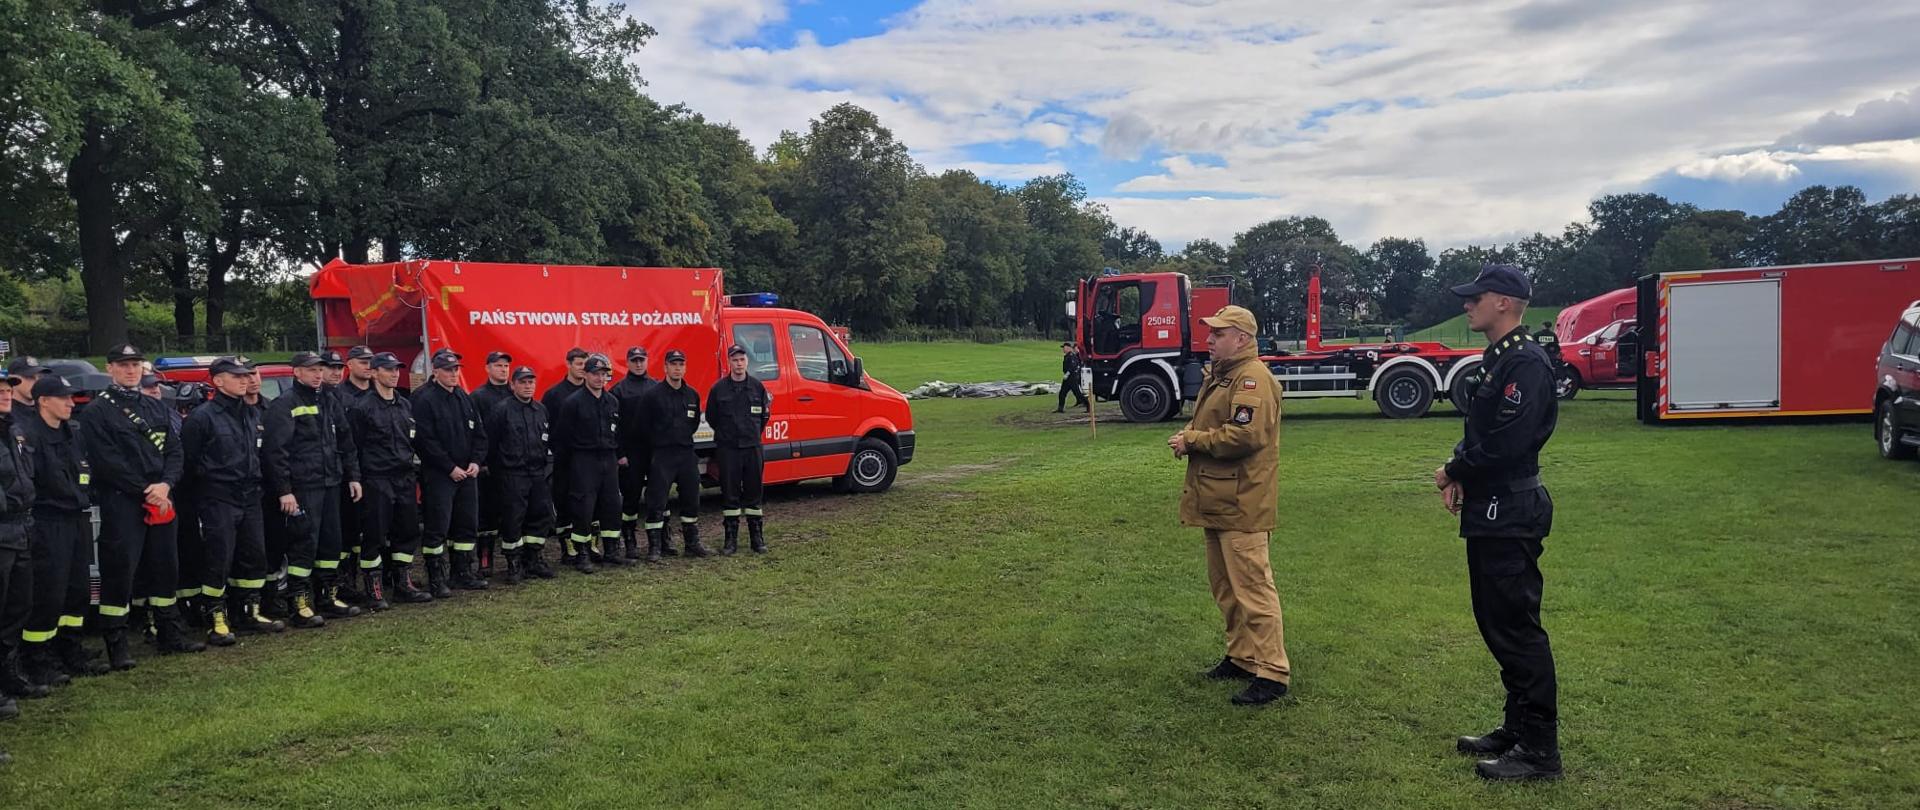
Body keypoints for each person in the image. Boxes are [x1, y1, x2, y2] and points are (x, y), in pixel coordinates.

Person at [1435, 264, 1563, 782]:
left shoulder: (1526, 363)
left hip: (1510, 511)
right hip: (1492, 509)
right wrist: (1462, 466)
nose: (1467, 306)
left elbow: (1511, 441)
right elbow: (1481, 429)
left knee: (1516, 629)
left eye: (1475, 298)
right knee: (1496, 624)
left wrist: (1454, 469)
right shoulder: (1500, 360)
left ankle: (1539, 750)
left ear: (1505, 303)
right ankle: (1516, 729)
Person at [1167, 305, 1291, 707]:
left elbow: (1245, 435)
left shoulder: (1252, 378)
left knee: (1253, 590)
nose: (1210, 339)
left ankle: (1271, 672)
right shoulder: (1224, 375)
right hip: (1220, 501)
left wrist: (1193, 440)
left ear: (1241, 338)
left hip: (1241, 503)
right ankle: (1242, 657)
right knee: (1226, 588)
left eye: (1218, 334)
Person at [79, 344, 185, 670]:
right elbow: (106, 462)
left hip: (161, 498)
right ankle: (118, 645)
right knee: (120, 573)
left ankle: (170, 635)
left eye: (136, 364)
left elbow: (175, 451)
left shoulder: (156, 406)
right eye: (123, 365)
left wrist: (165, 485)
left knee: (166, 567)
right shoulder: (97, 412)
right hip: (123, 501)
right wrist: (145, 490)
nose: (130, 370)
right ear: (110, 368)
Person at [182, 356, 287, 644]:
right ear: (217, 381)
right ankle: (216, 617)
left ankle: (248, 612)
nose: (245, 380)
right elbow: (189, 464)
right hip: (218, 497)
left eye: (246, 376)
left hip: (251, 496)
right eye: (237, 376)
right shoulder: (202, 418)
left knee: (254, 555)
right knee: (219, 558)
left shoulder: (252, 414)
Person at [263, 352, 363, 626]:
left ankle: (328, 597)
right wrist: (285, 490)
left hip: (331, 483)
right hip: (304, 487)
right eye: (312, 370)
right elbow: (276, 452)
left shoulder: (330, 399)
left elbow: (346, 441)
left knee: (331, 543)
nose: (319, 374)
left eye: (321, 369)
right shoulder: (285, 404)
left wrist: (353, 476)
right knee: (304, 544)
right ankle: (300, 603)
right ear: (296, 372)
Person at [348, 352, 426, 607]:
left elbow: (412, 440)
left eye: (397, 369)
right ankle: (374, 588)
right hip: (377, 479)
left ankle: (403, 583)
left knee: (408, 531)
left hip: (404, 478)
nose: (395, 374)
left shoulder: (404, 404)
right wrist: (356, 478)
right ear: (374, 373)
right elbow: (354, 448)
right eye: (389, 369)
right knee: (375, 535)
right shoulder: (362, 407)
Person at [412, 349, 490, 594]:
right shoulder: (423, 399)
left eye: (456, 369)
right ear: (435, 372)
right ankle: (436, 577)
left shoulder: (463, 397)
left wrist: (476, 461)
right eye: (448, 370)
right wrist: (449, 467)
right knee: (438, 526)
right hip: (439, 475)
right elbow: (425, 441)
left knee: (466, 525)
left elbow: (479, 433)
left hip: (468, 474)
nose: (453, 374)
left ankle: (463, 572)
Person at [0, 369, 48, 724]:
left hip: (22, 529)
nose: (5, 393)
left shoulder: (14, 430)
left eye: (7, 387)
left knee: (18, 607)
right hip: (2, 529)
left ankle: (9, 675)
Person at [485, 366, 557, 583]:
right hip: (512, 474)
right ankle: (513, 563)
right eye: (523, 382)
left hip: (537, 474)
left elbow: (547, 440)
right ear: (513, 385)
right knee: (513, 519)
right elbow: (491, 444)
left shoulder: (541, 409)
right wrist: (499, 472)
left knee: (539, 517)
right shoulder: (501, 410)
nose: (528, 386)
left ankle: (534, 559)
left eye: (531, 382)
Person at [563, 353, 630, 572]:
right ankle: (582, 554)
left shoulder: (612, 401)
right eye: (596, 374)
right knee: (583, 507)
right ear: (586, 375)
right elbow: (563, 436)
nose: (600, 379)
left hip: (608, 459)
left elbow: (618, 432)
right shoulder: (573, 403)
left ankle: (611, 549)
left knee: (611, 504)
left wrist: (619, 454)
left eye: (604, 374)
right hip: (584, 460)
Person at [642, 349, 706, 560]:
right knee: (657, 501)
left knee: (691, 498)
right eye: (673, 364)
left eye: (681, 364)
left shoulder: (692, 395)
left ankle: (691, 543)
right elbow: (644, 426)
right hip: (662, 455)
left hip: (686, 453)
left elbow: (694, 422)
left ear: (685, 367)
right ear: (665, 367)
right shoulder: (653, 395)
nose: (677, 368)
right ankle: (655, 546)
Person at [706, 344, 771, 555]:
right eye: (735, 360)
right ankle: (730, 540)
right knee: (730, 496)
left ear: (747, 362)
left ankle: (756, 538)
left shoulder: (757, 388)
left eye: (742, 359)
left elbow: (764, 417)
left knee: (754, 495)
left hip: (752, 448)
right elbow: (712, 418)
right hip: (729, 450)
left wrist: (751, 434)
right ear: (729, 362)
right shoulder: (718, 389)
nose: (739, 363)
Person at [542, 347, 591, 560]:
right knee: (563, 503)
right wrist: (557, 448)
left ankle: (587, 545)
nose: (582, 369)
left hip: (588, 459)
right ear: (568, 364)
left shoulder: (594, 392)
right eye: (578, 364)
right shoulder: (554, 394)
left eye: (584, 364)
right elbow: (545, 425)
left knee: (588, 503)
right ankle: (567, 547)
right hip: (564, 459)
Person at [469, 350, 515, 578]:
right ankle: (485, 559)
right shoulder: (478, 397)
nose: (503, 369)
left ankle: (514, 560)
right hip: (489, 467)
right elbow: (477, 433)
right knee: (487, 516)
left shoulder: (515, 393)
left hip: (513, 467)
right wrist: (481, 462)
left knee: (513, 514)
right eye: (498, 365)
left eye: (506, 366)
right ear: (487, 368)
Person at [610, 346, 656, 562]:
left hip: (654, 453)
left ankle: (659, 540)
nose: (638, 364)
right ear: (627, 363)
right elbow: (613, 427)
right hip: (631, 455)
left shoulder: (656, 387)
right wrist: (620, 453)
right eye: (634, 360)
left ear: (647, 361)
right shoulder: (618, 391)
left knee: (658, 498)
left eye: (642, 360)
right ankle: (629, 540)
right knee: (631, 499)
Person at [1055, 343, 1089, 413]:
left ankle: (1088, 406)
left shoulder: (1071, 356)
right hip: (1067, 379)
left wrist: (1067, 373)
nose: (1063, 349)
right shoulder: (1066, 356)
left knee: (1078, 394)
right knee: (1062, 393)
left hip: (1072, 378)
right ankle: (1060, 408)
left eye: (1064, 348)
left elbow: (1073, 366)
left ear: (1068, 348)